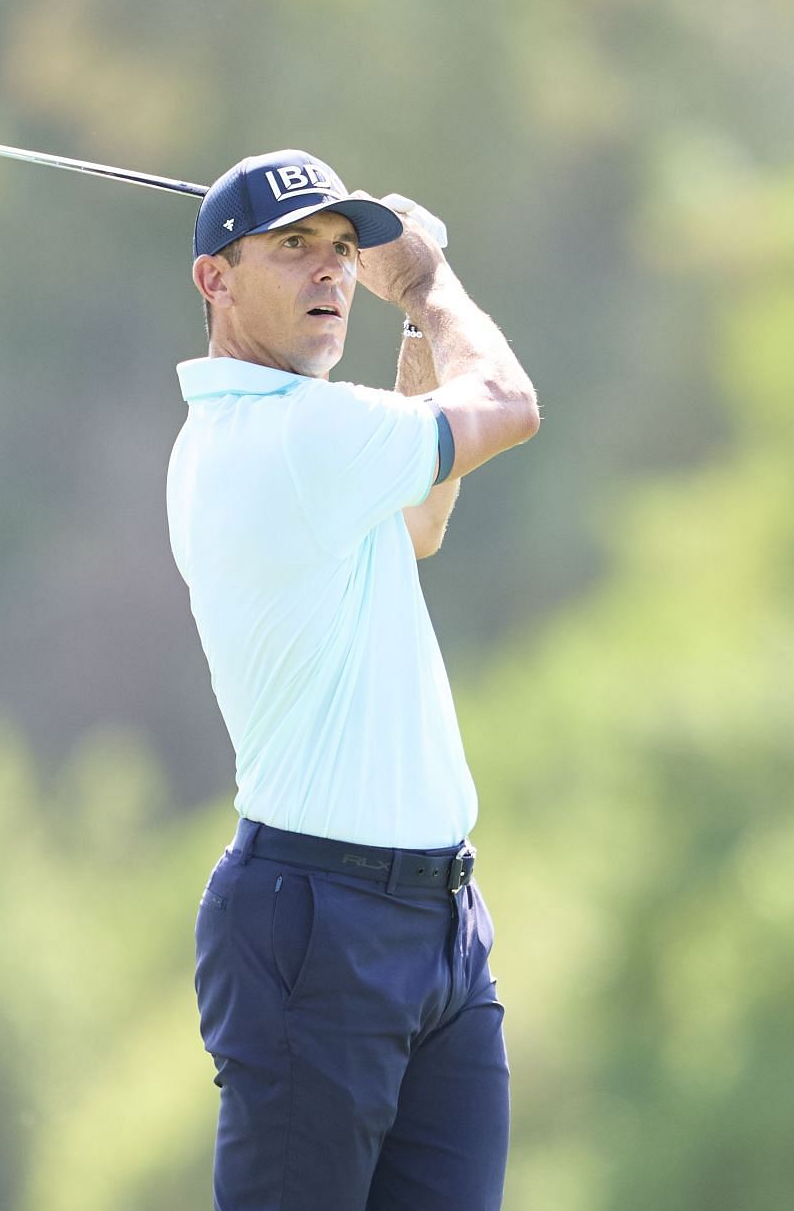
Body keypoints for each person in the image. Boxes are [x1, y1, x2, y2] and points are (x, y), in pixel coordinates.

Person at [166, 148, 540, 1211]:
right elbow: (508, 404)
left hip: (439, 922)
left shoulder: (309, 437)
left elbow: (419, 520)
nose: (331, 272)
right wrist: (424, 280)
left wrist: (415, 331)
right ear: (216, 279)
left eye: (343, 249)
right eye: (295, 248)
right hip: (319, 924)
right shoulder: (288, 437)